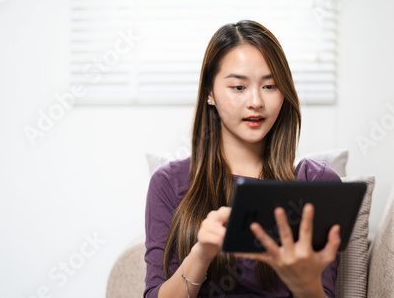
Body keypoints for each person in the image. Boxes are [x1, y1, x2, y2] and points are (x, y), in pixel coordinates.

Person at [144, 20, 341, 298]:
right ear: (209, 93)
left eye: (270, 86)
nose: (256, 102)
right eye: (238, 87)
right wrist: (201, 255)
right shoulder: (169, 182)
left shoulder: (317, 183)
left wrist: (303, 280)